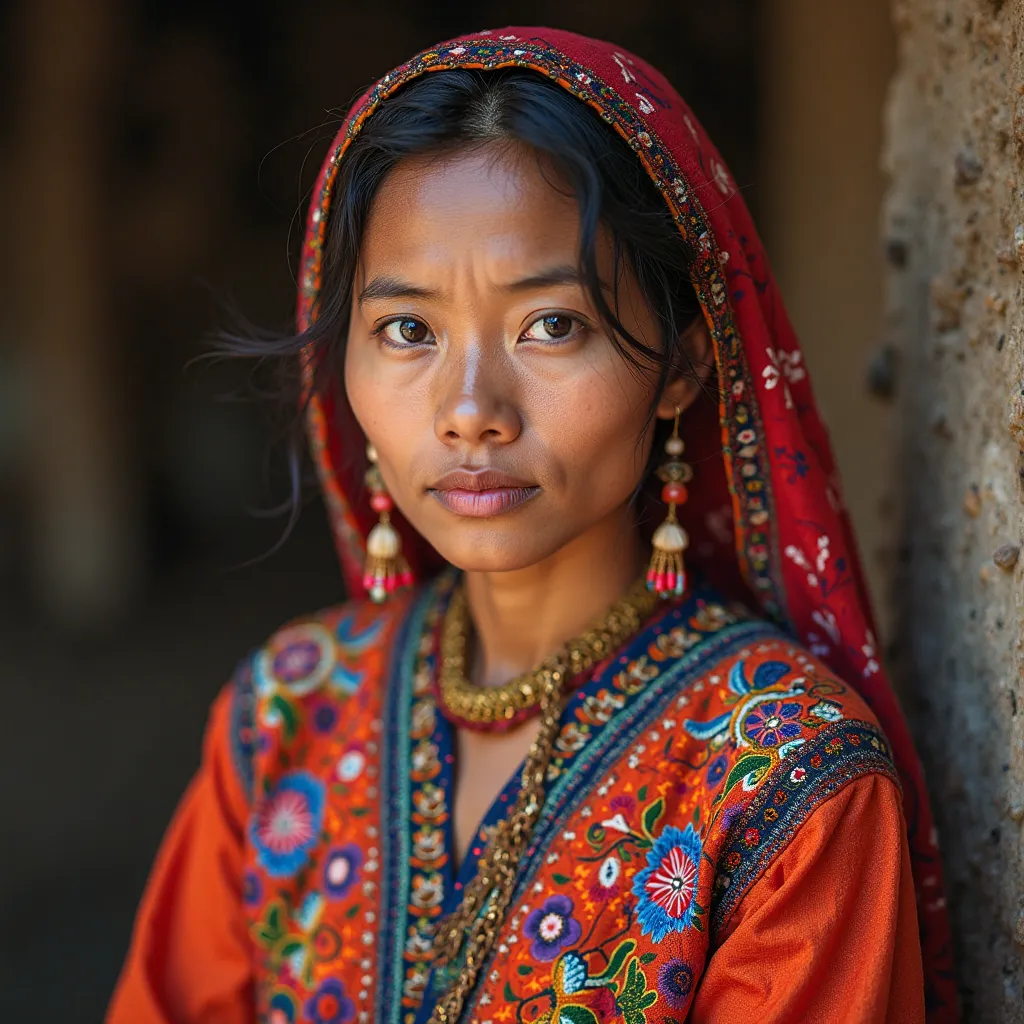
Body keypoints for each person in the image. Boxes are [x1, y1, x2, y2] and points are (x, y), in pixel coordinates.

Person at [107, 27, 957, 1024]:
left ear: (681, 365)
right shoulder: (287, 716)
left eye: (550, 324)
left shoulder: (785, 782)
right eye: (407, 330)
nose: (470, 408)